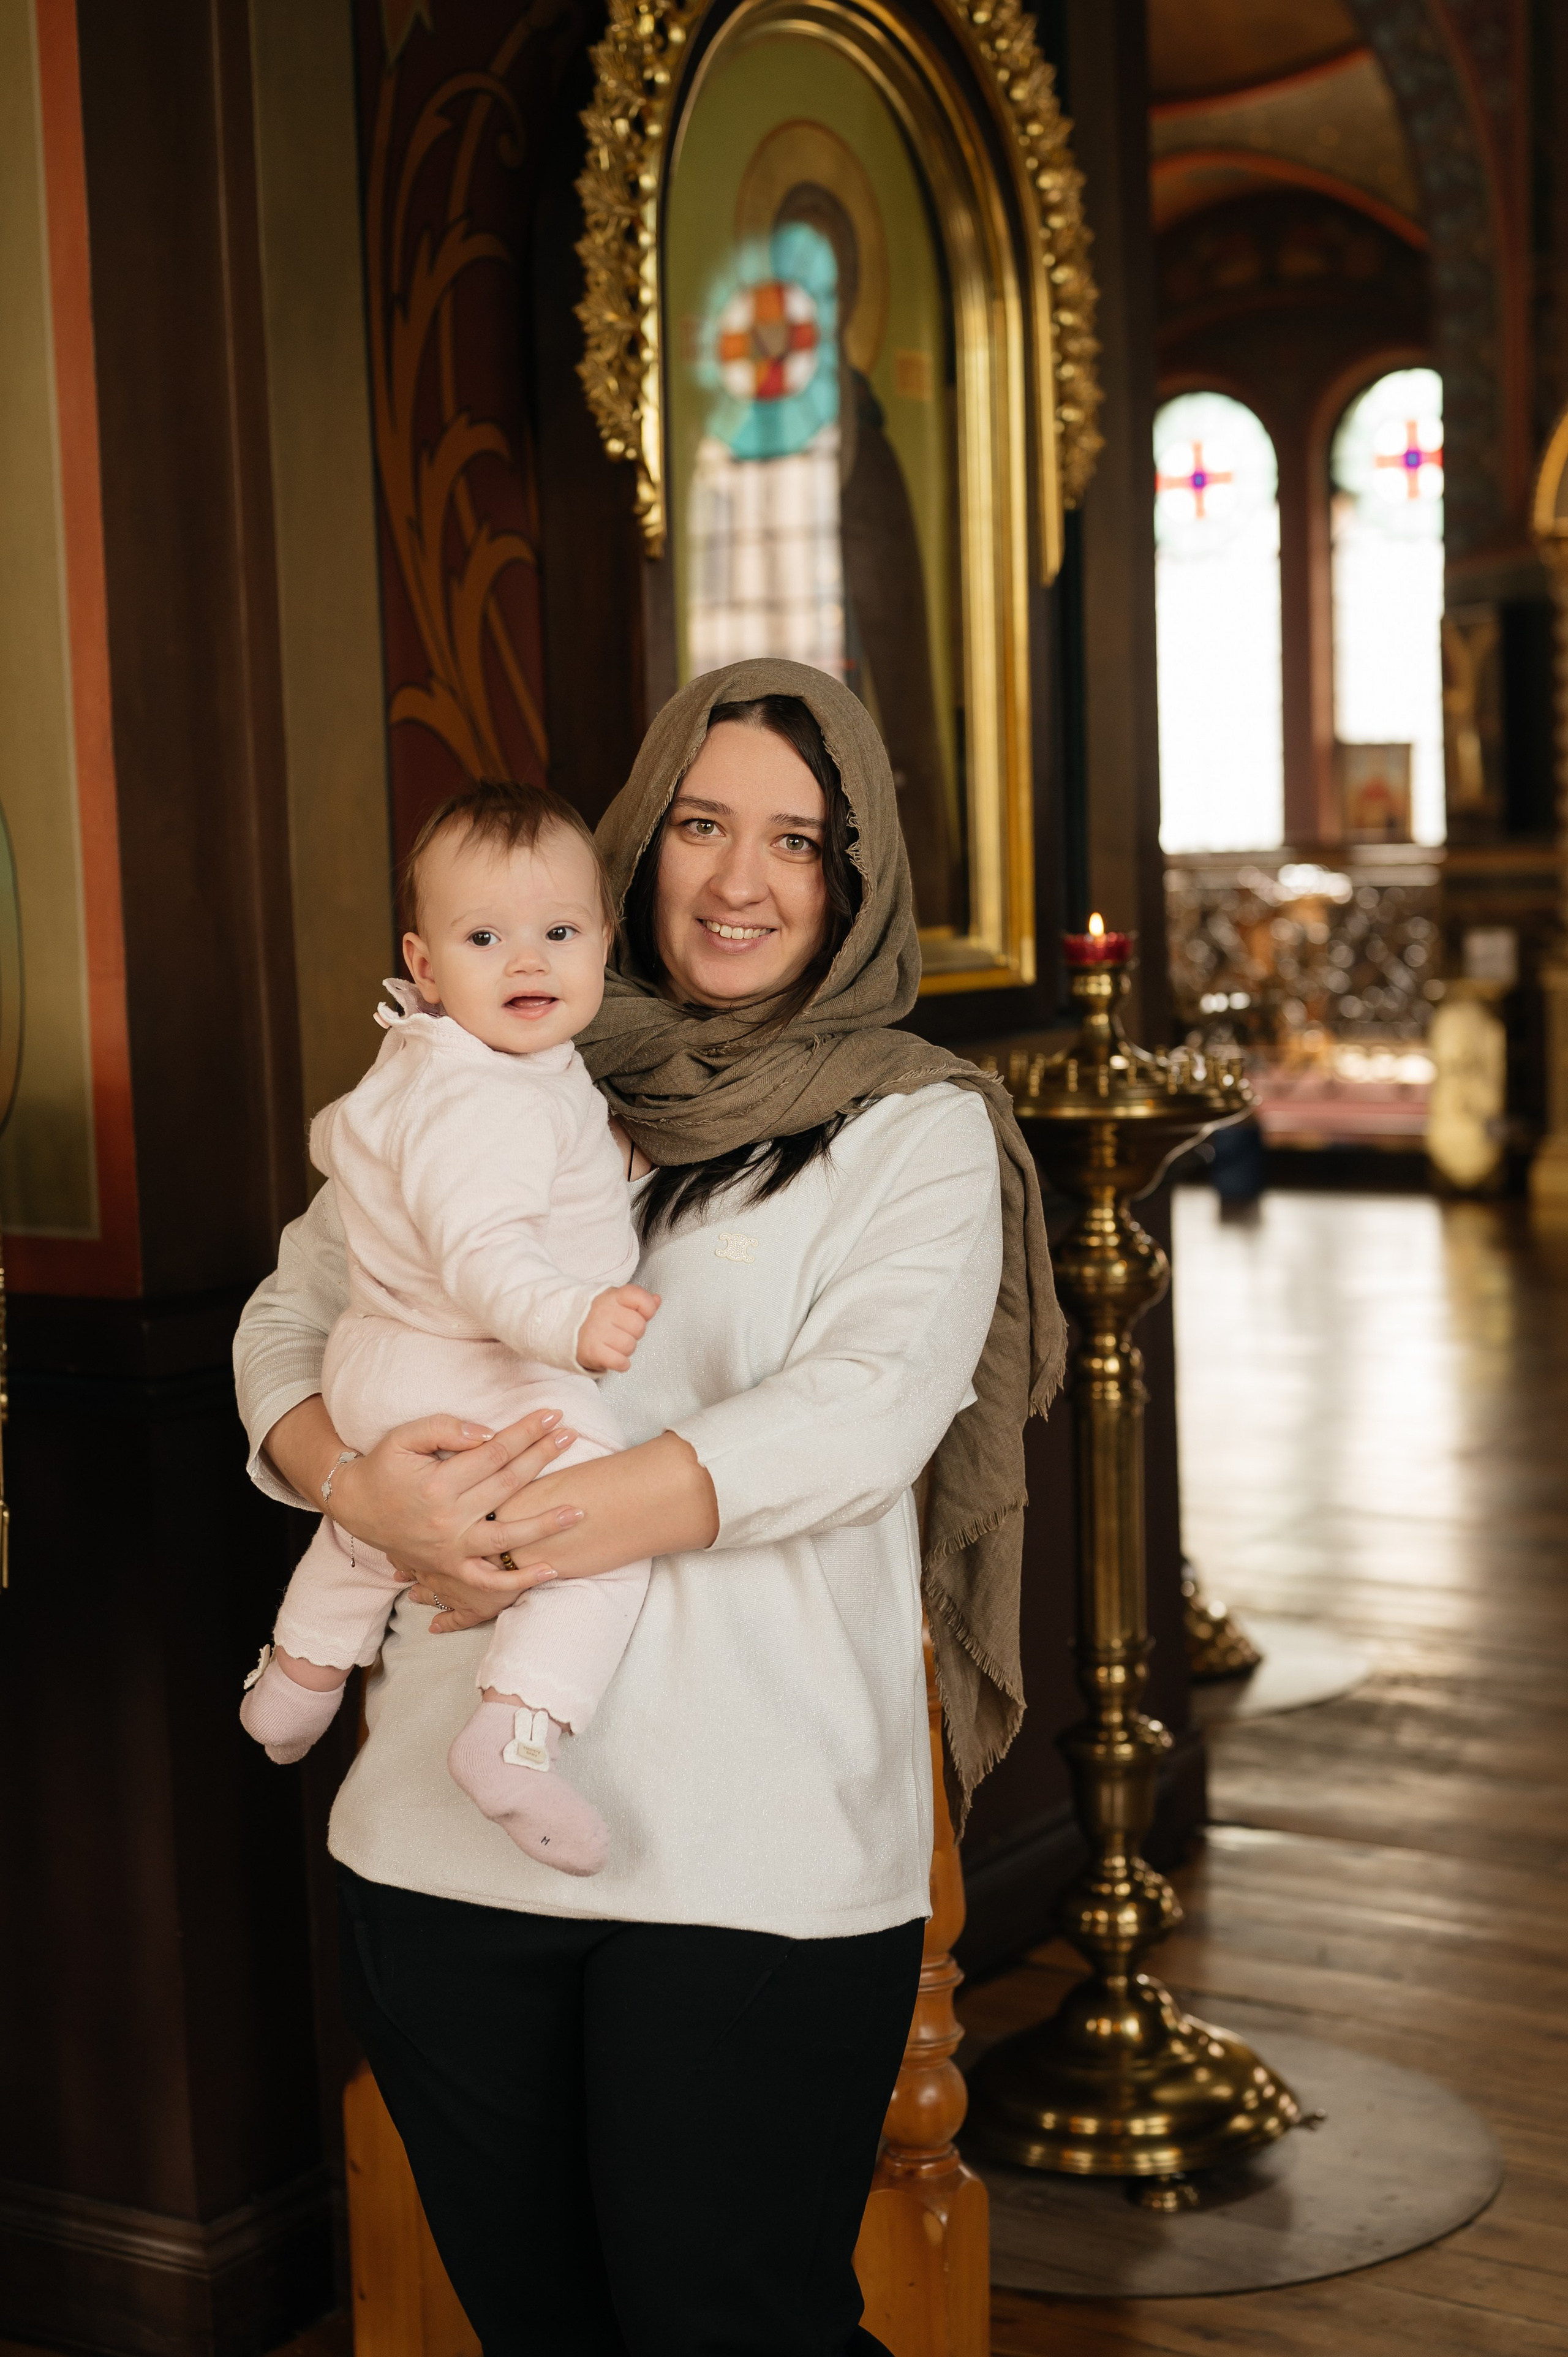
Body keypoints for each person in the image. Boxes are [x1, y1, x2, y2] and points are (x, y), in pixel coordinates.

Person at [233, 657, 1065, 2355]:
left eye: (797, 841)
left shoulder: (911, 1128)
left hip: (747, 1854)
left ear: (856, 876)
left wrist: (502, 1531)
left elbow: (854, 1420)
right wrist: (356, 1485)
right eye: (699, 823)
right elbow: (288, 1317)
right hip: (440, 1839)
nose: (739, 880)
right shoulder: (480, 1054)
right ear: (636, 838)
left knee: (730, 2325)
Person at [239, 782, 660, 1877]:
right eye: (487, 939)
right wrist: (571, 1321)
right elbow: (486, 1254)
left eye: (558, 935)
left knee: (373, 1527)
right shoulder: (493, 1101)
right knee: (592, 1536)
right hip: (482, 1356)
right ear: (426, 966)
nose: (528, 964)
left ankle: (296, 1681)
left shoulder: (449, 1065)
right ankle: (517, 1733)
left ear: (603, 944)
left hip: (379, 1366)